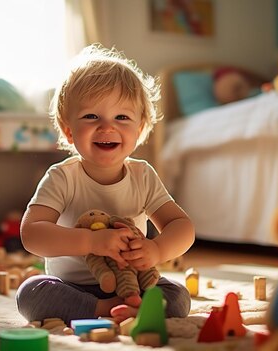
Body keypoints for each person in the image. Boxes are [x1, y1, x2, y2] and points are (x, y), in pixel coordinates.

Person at [16, 44, 195, 324]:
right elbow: (32, 234)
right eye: (91, 116)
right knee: (31, 294)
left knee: (179, 297)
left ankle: (130, 305)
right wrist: (91, 242)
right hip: (72, 287)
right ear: (68, 129)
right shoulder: (62, 177)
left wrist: (157, 250)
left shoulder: (143, 175)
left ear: (139, 128)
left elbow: (181, 227)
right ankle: (104, 308)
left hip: (134, 283)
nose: (107, 127)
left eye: (121, 117)